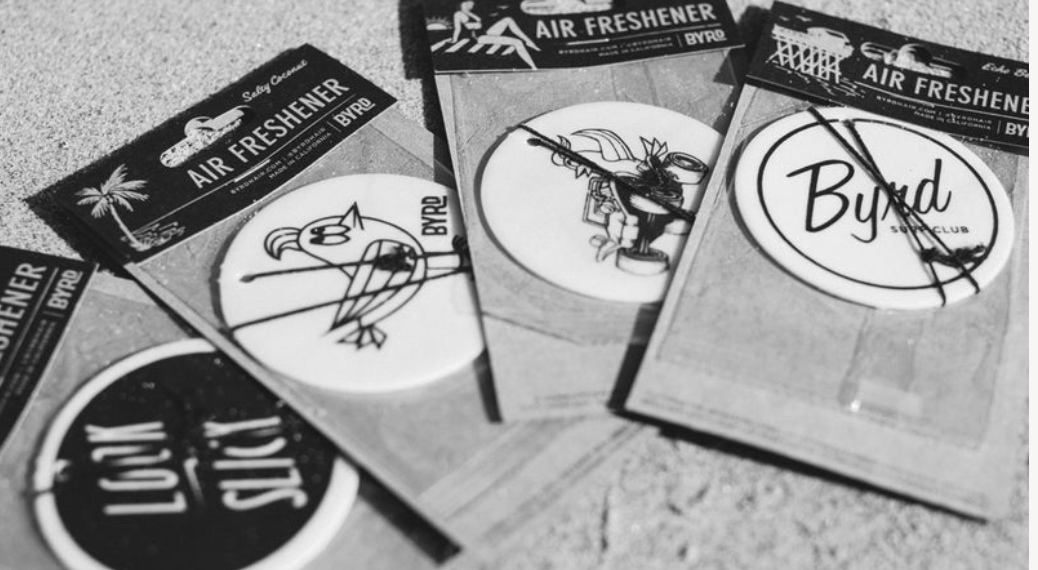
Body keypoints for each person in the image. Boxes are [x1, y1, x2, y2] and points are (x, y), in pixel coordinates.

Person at [451, 1, 540, 69]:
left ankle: (529, 42)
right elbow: (458, 29)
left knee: (508, 19)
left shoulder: (469, 13)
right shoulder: (458, 14)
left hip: (484, 33)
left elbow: (480, 24)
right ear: (464, 3)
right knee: (517, 42)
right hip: (479, 38)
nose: (472, 6)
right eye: (471, 4)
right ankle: (533, 66)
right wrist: (454, 40)